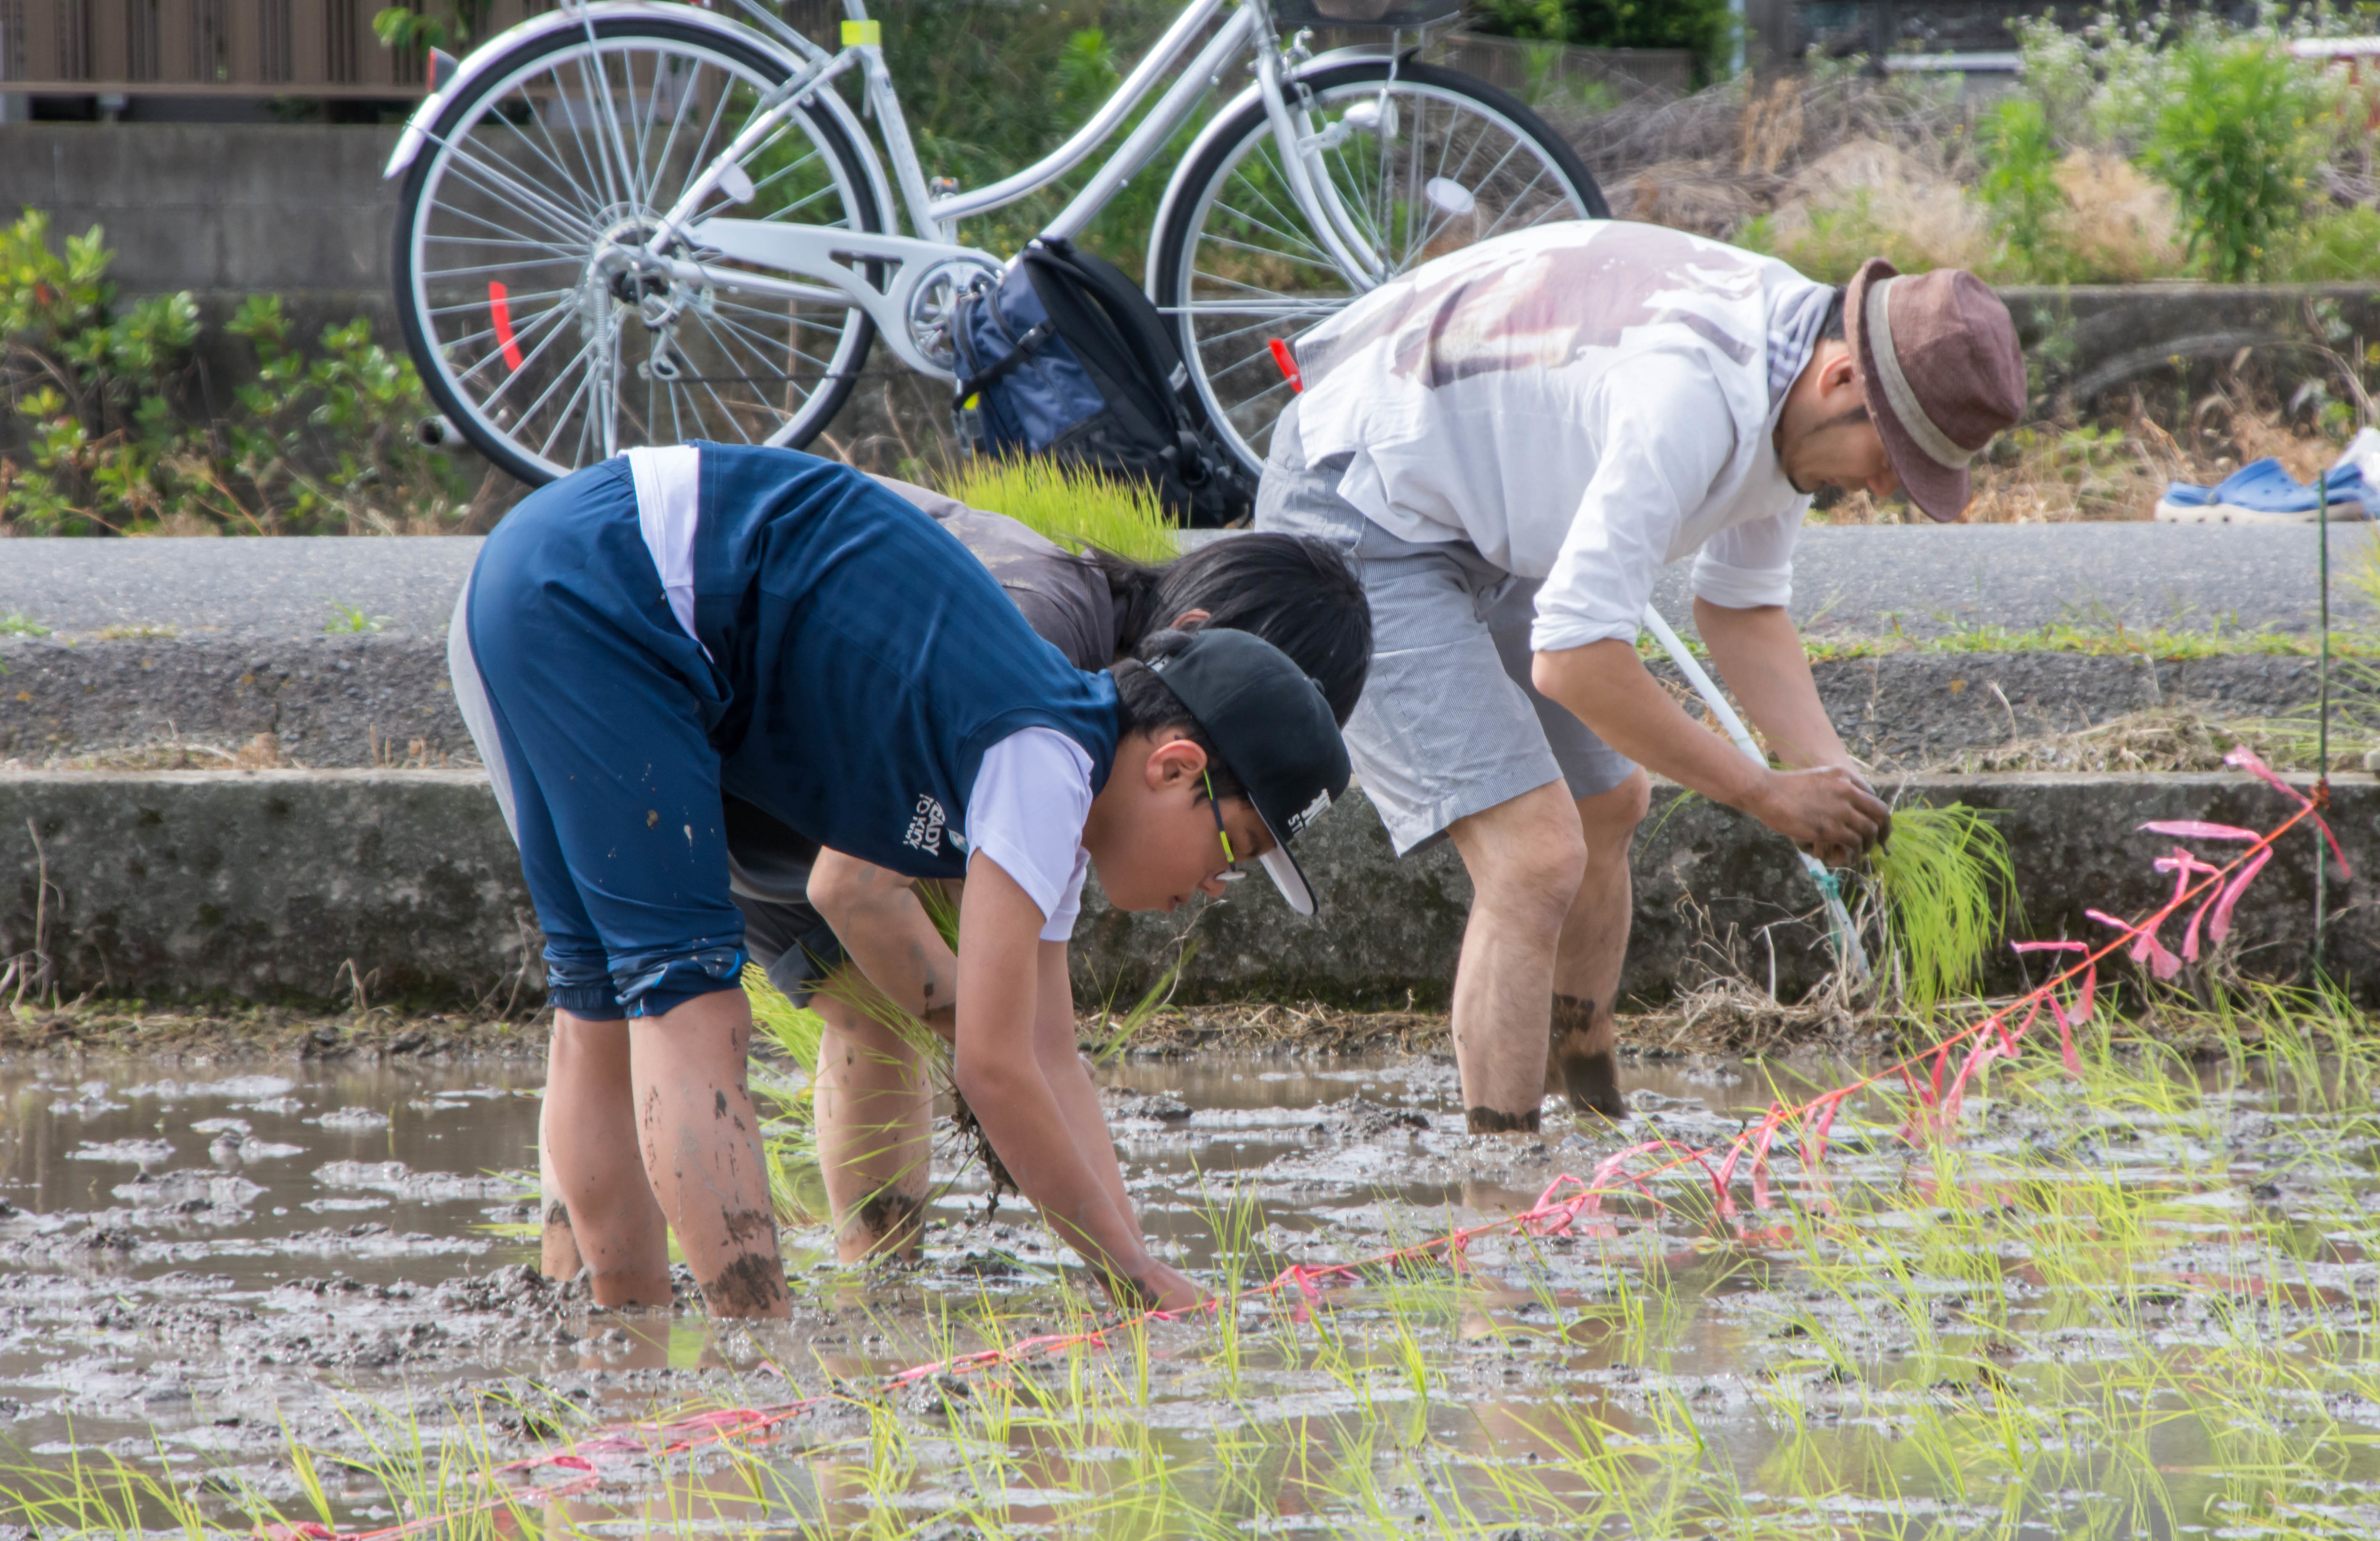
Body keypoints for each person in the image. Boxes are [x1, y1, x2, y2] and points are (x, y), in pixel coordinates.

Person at [449, 443, 1352, 1317]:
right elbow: (995, 1069)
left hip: (552, 567)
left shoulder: (1060, 762)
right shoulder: (1041, 754)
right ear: (1174, 766)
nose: (1218, 886)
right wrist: (1134, 1276)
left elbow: (1050, 1058)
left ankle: (628, 1353)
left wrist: (1139, 1273)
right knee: (690, 999)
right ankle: (756, 1354)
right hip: (615, 583)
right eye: (1235, 848)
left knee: (601, 1004)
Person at [1256, 221, 2027, 1131]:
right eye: (1895, 461)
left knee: (1609, 804)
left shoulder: (1792, 373)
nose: (1889, 490)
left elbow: (1741, 607)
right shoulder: (1693, 395)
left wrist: (1829, 778)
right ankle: (1503, 1196)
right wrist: (1763, 793)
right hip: (1361, 497)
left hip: (1476, 507)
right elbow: (1576, 659)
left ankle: (1591, 1110)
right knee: (1533, 855)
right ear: (1844, 378)